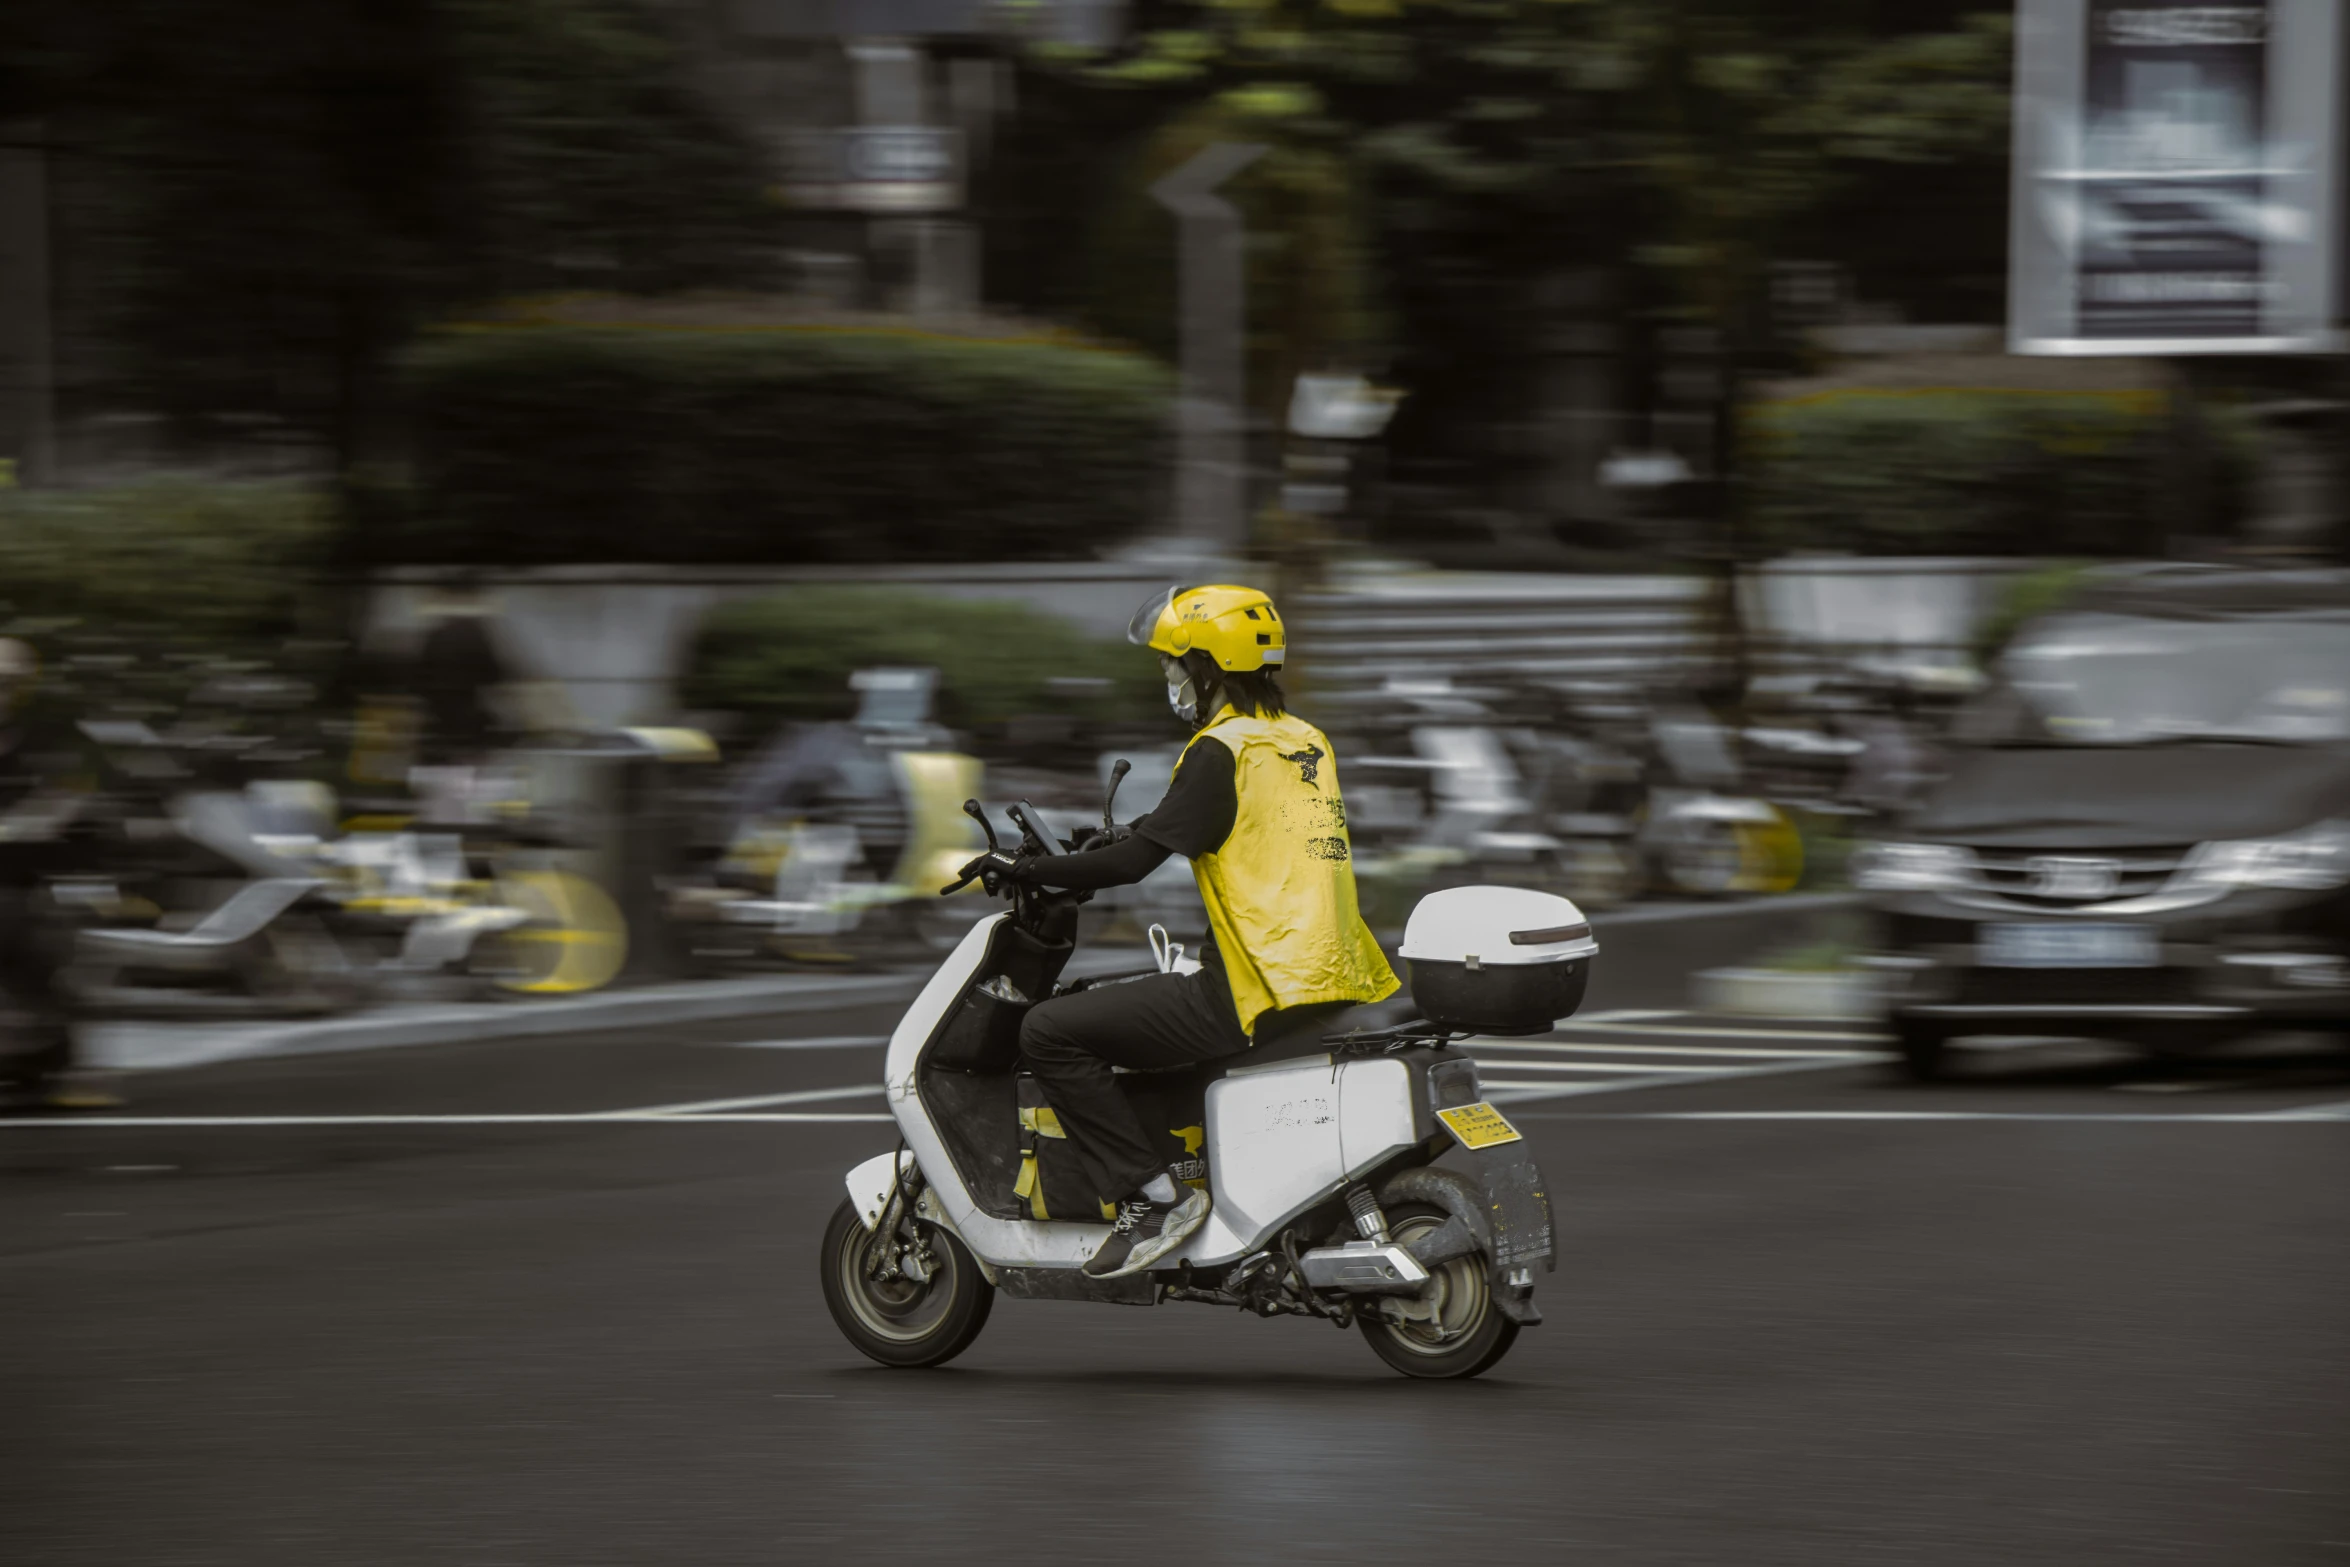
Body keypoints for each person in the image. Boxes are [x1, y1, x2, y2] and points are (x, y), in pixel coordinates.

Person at [995, 585, 1399, 1278]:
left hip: (1252, 986)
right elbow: (1224, 825)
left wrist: (1033, 866)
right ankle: (1192, 1168)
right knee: (1137, 1005)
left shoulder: (1218, 749)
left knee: (1049, 1031)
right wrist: (1125, 833)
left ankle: (1151, 1196)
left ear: (1209, 666)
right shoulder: (1304, 739)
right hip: (1334, 974)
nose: (1170, 680)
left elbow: (1135, 863)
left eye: (1175, 665)